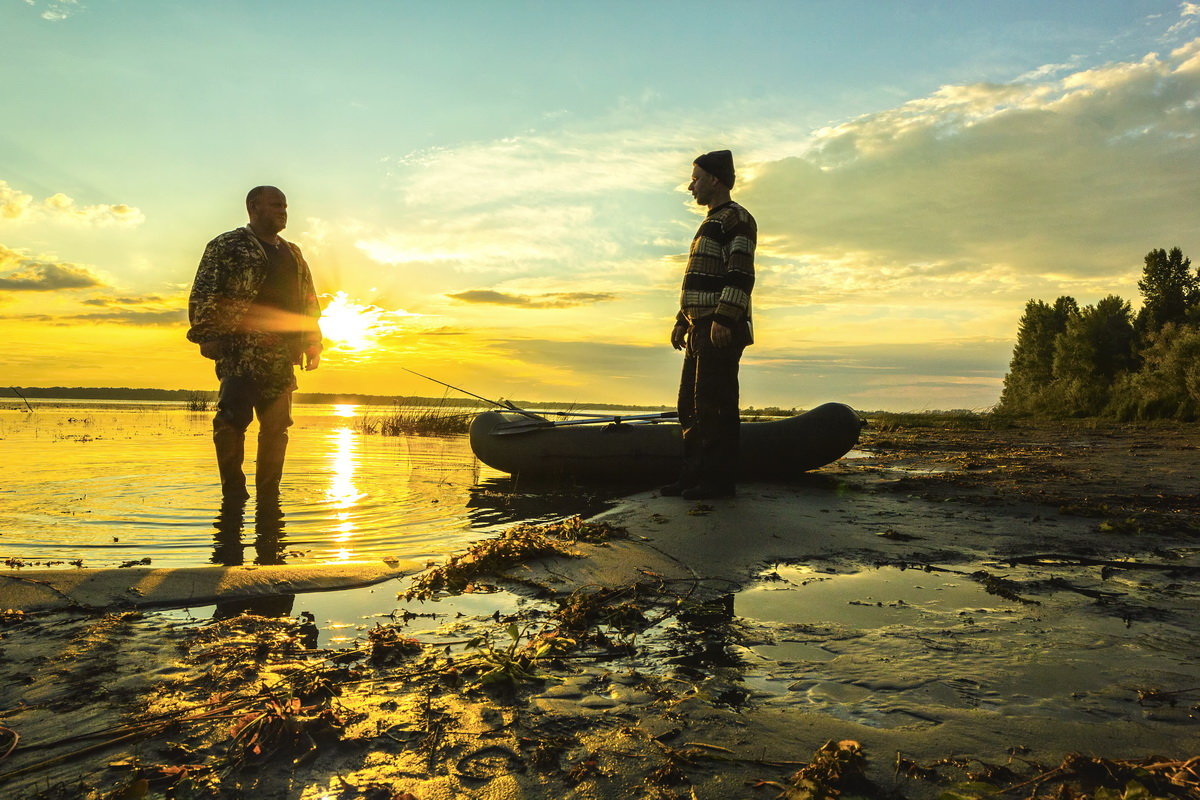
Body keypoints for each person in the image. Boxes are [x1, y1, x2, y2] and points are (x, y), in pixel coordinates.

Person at [187, 186, 323, 501]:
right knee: (231, 422)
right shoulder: (227, 245)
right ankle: (234, 493)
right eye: (276, 205)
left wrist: (313, 342)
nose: (283, 211)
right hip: (240, 351)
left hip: (281, 354)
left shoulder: (293, 252)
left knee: (277, 427)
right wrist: (208, 334)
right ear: (253, 207)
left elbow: (308, 302)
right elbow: (204, 291)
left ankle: (269, 494)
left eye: (285, 206)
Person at [663, 150, 756, 500]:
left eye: (696, 178)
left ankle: (718, 483)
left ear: (715, 180)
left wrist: (723, 317)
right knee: (690, 406)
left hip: (719, 327)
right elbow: (699, 280)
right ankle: (693, 477)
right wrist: (680, 321)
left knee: (714, 406)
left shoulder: (737, 218)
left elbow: (740, 272)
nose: (691, 186)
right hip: (698, 326)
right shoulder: (710, 222)